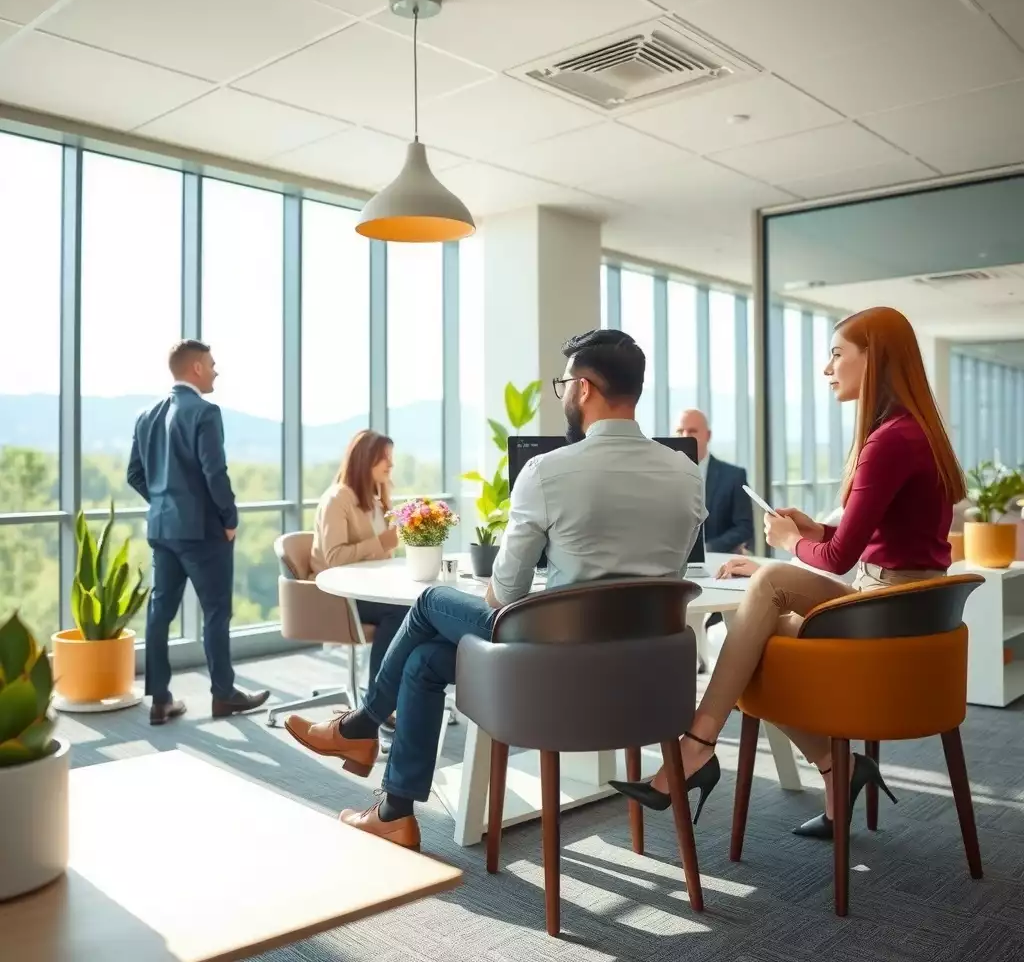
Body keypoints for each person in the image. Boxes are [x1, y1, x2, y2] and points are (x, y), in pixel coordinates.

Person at [284, 329, 706, 850]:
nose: (563, 397)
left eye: (563, 386)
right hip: (648, 681)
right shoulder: (687, 474)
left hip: (554, 676)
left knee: (433, 601)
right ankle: (393, 809)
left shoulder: (547, 471)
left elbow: (505, 595)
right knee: (424, 664)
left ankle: (361, 726)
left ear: (585, 388)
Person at [612, 306, 966, 838]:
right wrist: (813, 532)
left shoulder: (888, 440)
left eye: (837, 353)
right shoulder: (914, 432)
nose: (827, 369)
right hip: (905, 605)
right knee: (754, 636)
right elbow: (877, 539)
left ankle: (698, 747)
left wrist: (787, 543)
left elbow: (843, 561)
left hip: (885, 610)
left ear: (875, 359)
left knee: (767, 591)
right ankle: (832, 769)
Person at [127, 340, 270, 726]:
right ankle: (223, 695)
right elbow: (214, 472)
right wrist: (229, 518)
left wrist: (163, 502)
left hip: (162, 529)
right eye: (211, 364)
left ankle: (160, 700)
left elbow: (134, 474)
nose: (216, 370)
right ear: (195, 369)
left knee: (160, 615)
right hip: (203, 533)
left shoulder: (147, 416)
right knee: (216, 612)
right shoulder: (206, 413)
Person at [309, 429, 406, 706]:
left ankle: (399, 694)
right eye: (384, 458)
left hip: (369, 590)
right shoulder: (337, 499)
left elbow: (379, 557)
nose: (391, 464)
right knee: (400, 611)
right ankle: (379, 702)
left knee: (422, 605)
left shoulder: (377, 500)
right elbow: (335, 558)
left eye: (391, 457)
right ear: (365, 460)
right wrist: (381, 541)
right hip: (338, 597)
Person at [675, 408, 753, 554]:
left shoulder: (734, 477)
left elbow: (745, 527)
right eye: (680, 431)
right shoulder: (664, 476)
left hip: (718, 562)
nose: (685, 437)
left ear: (708, 436)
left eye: (692, 431)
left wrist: (708, 549)